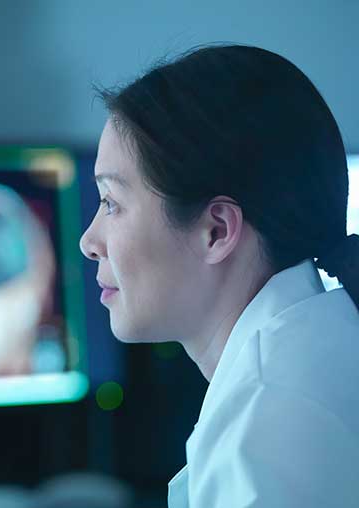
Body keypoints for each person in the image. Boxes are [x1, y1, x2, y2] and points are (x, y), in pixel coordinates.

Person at [79, 44, 359, 507]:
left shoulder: (268, 421)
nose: (88, 241)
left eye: (111, 203)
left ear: (217, 231)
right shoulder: (319, 344)